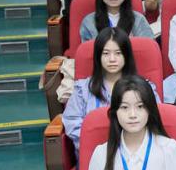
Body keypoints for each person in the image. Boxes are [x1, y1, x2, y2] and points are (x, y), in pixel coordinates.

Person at [62, 27, 158, 158]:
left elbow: (155, 119)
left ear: (126, 55)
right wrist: (100, 144)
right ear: (98, 56)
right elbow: (72, 122)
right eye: (106, 53)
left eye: (118, 53)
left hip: (136, 154)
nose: (112, 59)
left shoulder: (145, 87)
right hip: (95, 154)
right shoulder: (83, 89)